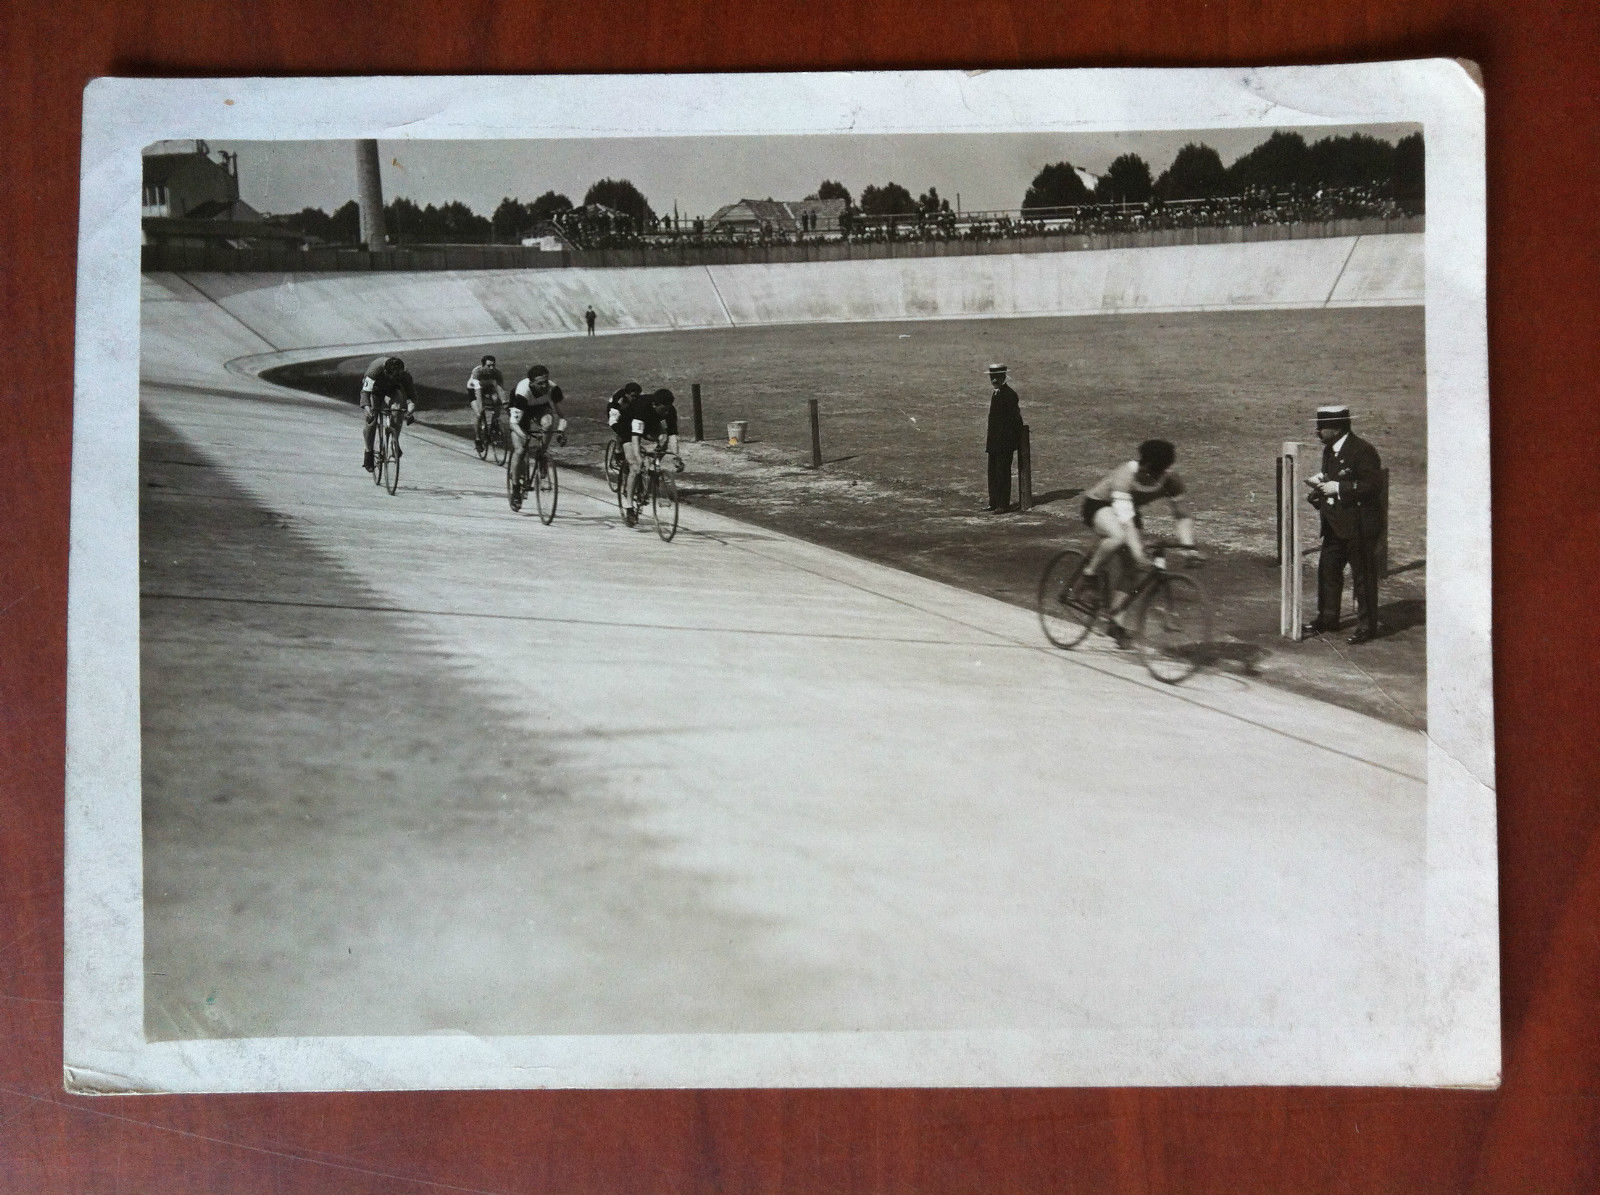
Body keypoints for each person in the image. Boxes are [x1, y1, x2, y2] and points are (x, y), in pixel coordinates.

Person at [1079, 439, 1198, 641]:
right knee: (1118, 537)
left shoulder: (1170, 479)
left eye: (1159, 474)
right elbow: (1125, 522)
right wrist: (1136, 549)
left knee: (1133, 568)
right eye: (1150, 473)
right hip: (1099, 505)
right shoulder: (1125, 476)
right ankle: (1089, 575)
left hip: (1128, 512)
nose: (1153, 479)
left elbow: (1182, 515)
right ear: (1142, 465)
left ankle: (1116, 622)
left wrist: (1189, 547)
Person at [1302, 404, 1385, 644]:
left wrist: (1339, 488)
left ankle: (1367, 627)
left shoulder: (1363, 451)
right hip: (1335, 525)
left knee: (1363, 577)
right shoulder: (1330, 450)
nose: (1317, 432)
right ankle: (1328, 618)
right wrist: (1320, 488)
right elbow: (1330, 477)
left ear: (1336, 429)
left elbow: (1372, 486)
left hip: (1359, 527)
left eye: (1321, 427)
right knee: (1328, 572)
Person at [620, 387, 683, 526]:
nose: (666, 413)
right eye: (663, 410)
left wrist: (677, 457)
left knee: (663, 438)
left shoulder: (670, 410)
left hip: (650, 424)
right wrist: (639, 459)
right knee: (635, 467)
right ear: (655, 405)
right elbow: (635, 438)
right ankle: (629, 508)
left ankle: (653, 468)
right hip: (628, 428)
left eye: (668, 409)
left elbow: (672, 435)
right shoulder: (641, 408)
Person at [506, 364, 567, 509]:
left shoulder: (553, 388)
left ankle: (541, 454)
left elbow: (562, 416)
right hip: (521, 410)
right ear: (531, 382)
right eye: (540, 383)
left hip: (540, 407)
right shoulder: (522, 391)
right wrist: (524, 435)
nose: (544, 385)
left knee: (548, 422)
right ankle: (515, 489)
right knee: (520, 450)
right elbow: (513, 424)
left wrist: (561, 430)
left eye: (546, 381)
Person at [360, 355, 416, 472]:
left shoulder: (404, 374)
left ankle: (394, 442)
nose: (393, 378)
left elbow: (411, 397)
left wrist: (410, 409)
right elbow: (365, 393)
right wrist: (367, 408)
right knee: (372, 420)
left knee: (397, 409)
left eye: (396, 376)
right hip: (374, 391)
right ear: (385, 371)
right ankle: (368, 453)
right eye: (391, 376)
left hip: (392, 390)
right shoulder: (374, 371)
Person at [984, 363, 1024, 512]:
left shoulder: (1009, 395)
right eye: (991, 377)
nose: (993, 380)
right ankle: (993, 502)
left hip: (1004, 443)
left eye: (996, 377)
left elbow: (1015, 420)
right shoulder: (996, 394)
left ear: (1003, 377)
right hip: (994, 442)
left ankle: (1003, 504)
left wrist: (1013, 440)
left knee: (1002, 473)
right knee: (993, 472)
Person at [466, 354, 504, 440]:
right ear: (483, 365)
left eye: (493, 365)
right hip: (473, 389)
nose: (491, 368)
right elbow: (478, 392)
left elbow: (500, 389)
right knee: (479, 414)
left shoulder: (497, 373)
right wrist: (481, 407)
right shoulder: (477, 372)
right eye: (489, 365)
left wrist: (504, 402)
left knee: (497, 401)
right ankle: (478, 438)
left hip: (487, 388)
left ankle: (494, 424)